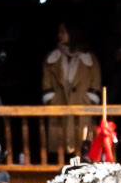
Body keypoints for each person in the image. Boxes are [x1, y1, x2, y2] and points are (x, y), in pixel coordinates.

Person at [41, 24, 102, 159]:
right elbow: (46, 86)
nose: (59, 35)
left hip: (82, 112)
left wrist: (87, 100)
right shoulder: (51, 59)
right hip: (59, 111)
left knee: (83, 150)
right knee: (60, 153)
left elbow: (95, 86)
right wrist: (53, 100)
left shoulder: (90, 60)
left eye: (63, 31)